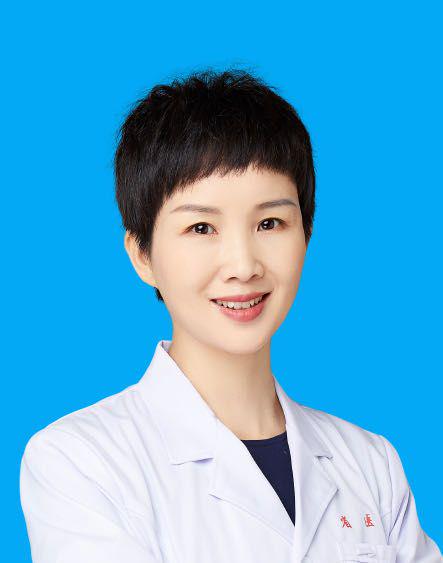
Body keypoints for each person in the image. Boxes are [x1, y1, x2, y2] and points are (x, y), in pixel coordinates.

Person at [20, 69, 442, 563]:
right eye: (202, 228)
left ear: (306, 235)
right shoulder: (80, 462)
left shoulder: (371, 464)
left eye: (270, 223)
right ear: (142, 255)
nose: (243, 265)